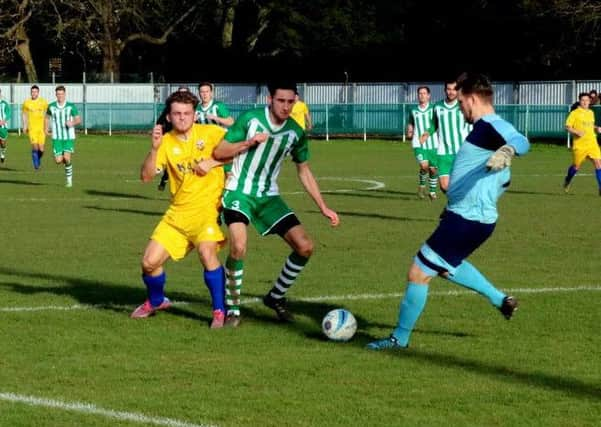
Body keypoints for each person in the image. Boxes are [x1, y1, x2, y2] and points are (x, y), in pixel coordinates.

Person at [367, 72, 530, 350]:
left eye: (463, 101)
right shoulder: (483, 128)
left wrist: (508, 151)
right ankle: (499, 299)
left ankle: (399, 339)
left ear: (473, 99)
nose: (461, 107)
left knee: (419, 272)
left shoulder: (490, 126)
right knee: (445, 265)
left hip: (467, 219)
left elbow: (521, 140)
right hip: (470, 217)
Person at [213, 81, 339, 327]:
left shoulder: (295, 132)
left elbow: (304, 171)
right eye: (281, 100)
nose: (285, 106)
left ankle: (275, 297)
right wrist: (248, 144)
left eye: (290, 101)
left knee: (305, 247)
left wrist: (323, 207)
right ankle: (233, 308)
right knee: (238, 246)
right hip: (238, 191)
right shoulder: (250, 119)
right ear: (270, 99)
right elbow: (220, 151)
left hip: (269, 197)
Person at [130, 90, 229, 328]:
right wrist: (154, 149)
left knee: (207, 254)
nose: (182, 118)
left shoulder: (213, 133)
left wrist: (212, 162)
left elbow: (239, 153)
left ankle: (219, 310)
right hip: (177, 215)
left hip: (207, 213)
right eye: (177, 113)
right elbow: (145, 176)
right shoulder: (165, 142)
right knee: (149, 263)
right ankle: (156, 301)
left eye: (187, 113)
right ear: (169, 117)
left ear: (195, 115)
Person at [428, 79, 472, 193]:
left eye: (454, 89)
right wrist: (426, 133)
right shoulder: (437, 106)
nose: (451, 92)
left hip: (461, 151)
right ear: (445, 90)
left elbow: (473, 122)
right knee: (444, 186)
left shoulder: (464, 105)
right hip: (443, 152)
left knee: (464, 183)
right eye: (448, 89)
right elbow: (434, 124)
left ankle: (460, 206)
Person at [563, 92, 601, 195]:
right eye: (583, 100)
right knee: (576, 166)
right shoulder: (574, 113)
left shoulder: (591, 113)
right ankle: (568, 180)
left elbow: (590, 126)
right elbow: (567, 126)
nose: (585, 102)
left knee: (598, 164)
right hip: (580, 145)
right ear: (580, 101)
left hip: (592, 143)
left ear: (589, 102)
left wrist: (596, 128)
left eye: (587, 100)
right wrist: (577, 132)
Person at [45, 86, 81, 187]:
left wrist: (72, 123)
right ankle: (67, 164)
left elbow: (78, 119)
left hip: (68, 137)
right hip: (56, 137)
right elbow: (47, 118)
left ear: (65, 94)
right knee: (58, 161)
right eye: (58, 94)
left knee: (66, 157)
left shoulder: (71, 106)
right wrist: (46, 129)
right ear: (56, 95)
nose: (60, 96)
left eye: (62, 94)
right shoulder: (51, 106)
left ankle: (69, 181)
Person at [406, 86, 438, 199]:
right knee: (424, 166)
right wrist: (409, 130)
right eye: (420, 93)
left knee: (433, 170)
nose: (422, 95)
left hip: (433, 143)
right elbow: (410, 123)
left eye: (424, 93)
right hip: (418, 143)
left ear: (429, 95)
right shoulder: (413, 110)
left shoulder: (434, 109)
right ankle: (422, 186)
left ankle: (432, 192)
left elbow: (438, 123)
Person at [157, 86, 191, 191]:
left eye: (185, 94)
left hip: (189, 139)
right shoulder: (170, 108)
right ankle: (167, 178)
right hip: (173, 138)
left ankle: (168, 179)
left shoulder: (193, 108)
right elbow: (160, 122)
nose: (183, 96)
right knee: (173, 161)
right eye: (180, 93)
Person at [22, 85, 48, 170]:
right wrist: (25, 126)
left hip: (41, 129)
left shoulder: (43, 102)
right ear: (31, 92)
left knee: (41, 149)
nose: (34, 93)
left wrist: (46, 127)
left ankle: (37, 159)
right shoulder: (27, 103)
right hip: (32, 129)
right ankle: (36, 164)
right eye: (32, 92)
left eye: (35, 92)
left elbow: (46, 115)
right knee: (35, 147)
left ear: (38, 92)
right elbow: (24, 114)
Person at [0, 90, 12, 164]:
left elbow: (9, 113)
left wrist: (4, 121)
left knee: (2, 143)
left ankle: (2, 154)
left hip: (3, 126)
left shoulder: (4, 104)